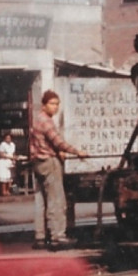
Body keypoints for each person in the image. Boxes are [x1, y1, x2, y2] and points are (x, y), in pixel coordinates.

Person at [30, 90, 88, 250]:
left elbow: (48, 143)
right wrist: (77, 151)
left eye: (57, 104)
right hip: (49, 163)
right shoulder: (46, 121)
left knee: (41, 202)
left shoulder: (37, 119)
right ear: (44, 105)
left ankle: (40, 237)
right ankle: (58, 236)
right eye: (52, 104)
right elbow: (58, 141)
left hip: (37, 163)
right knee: (56, 200)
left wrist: (58, 151)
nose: (55, 107)